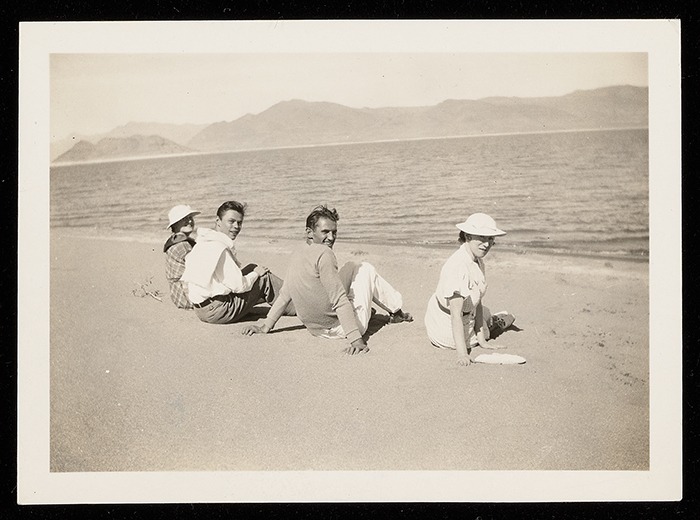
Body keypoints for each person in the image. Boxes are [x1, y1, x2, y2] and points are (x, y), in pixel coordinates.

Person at [241, 205, 412, 355]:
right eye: (325, 232)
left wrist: (266, 326)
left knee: (352, 266)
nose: (331, 237)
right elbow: (339, 299)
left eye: (334, 232)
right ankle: (396, 312)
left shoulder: (297, 253)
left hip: (315, 330)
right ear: (309, 232)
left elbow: (285, 294)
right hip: (340, 329)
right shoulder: (325, 254)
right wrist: (356, 340)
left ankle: (381, 310)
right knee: (366, 268)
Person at [424, 213, 515, 366]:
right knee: (494, 317)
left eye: (490, 239)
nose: (486, 244)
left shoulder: (476, 259)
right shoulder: (458, 266)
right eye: (482, 237)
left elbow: (477, 301)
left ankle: (491, 322)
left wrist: (482, 341)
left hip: (464, 315)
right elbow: (455, 315)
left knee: (486, 311)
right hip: (447, 329)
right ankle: (494, 323)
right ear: (468, 236)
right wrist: (462, 354)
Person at [180, 200, 293, 324]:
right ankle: (298, 303)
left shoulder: (204, 241)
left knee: (252, 267)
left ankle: (288, 297)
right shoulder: (219, 248)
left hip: (201, 310)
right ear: (218, 221)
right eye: (231, 221)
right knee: (264, 278)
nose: (236, 226)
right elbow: (240, 286)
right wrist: (257, 274)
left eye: (239, 222)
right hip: (217, 311)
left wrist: (253, 272)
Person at [163, 204, 200, 309]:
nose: (190, 221)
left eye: (190, 217)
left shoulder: (174, 240)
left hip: (177, 294)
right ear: (175, 224)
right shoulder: (183, 245)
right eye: (184, 219)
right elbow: (198, 270)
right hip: (186, 296)